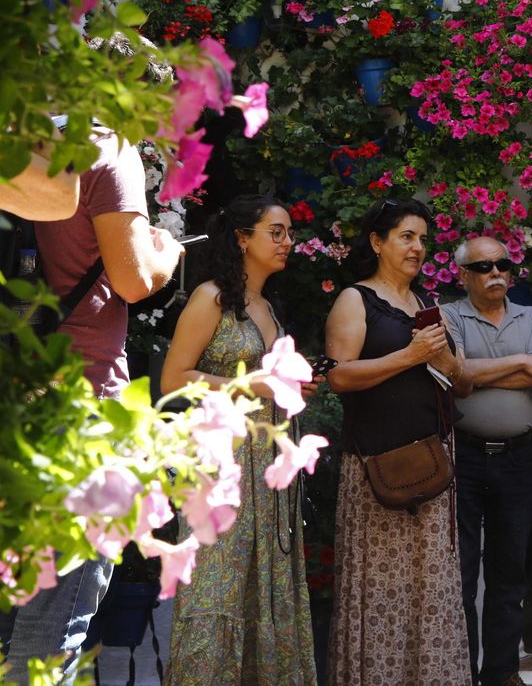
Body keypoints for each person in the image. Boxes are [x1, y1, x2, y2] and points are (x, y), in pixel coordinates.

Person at [0, 122, 184, 684]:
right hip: (77, 405)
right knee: (48, 638)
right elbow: (132, 280)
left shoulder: (12, 141)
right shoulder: (106, 148)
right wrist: (167, 252)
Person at [160, 195, 318, 684]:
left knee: (260, 589)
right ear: (242, 238)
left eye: (289, 232)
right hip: (222, 468)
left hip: (267, 470)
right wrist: (252, 384)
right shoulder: (212, 296)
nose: (287, 242)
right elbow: (173, 379)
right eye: (276, 231)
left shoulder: (268, 306)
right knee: (215, 590)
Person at [323, 199, 471, 685]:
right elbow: (340, 376)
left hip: (432, 462)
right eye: (407, 236)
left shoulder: (426, 306)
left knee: (431, 589)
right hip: (377, 465)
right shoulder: (356, 299)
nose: (418, 247)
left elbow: (460, 383)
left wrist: (447, 362)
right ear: (377, 242)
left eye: (423, 239)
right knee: (382, 591)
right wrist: (410, 355)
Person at [441, 236, 532, 686]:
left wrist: (486, 370)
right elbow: (457, 379)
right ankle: (465, 675)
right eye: (484, 267)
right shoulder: (450, 315)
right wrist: (520, 363)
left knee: (510, 571)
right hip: (464, 457)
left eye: (503, 265)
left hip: (516, 459)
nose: (496, 274)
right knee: (464, 574)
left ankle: (502, 673)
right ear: (463, 275)